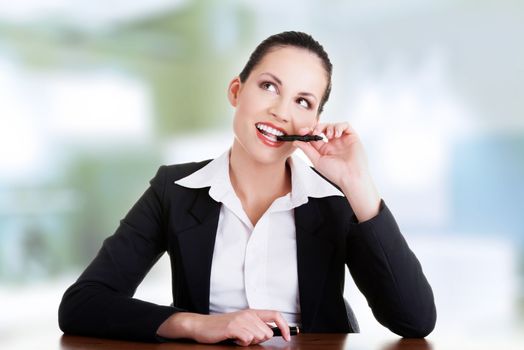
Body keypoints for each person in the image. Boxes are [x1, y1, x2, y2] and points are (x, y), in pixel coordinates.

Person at [58, 31, 436, 346]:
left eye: (303, 102)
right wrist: (196, 324)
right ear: (237, 91)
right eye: (270, 86)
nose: (281, 111)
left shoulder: (337, 199)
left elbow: (415, 321)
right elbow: (82, 304)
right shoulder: (173, 190)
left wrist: (357, 184)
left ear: (314, 122)